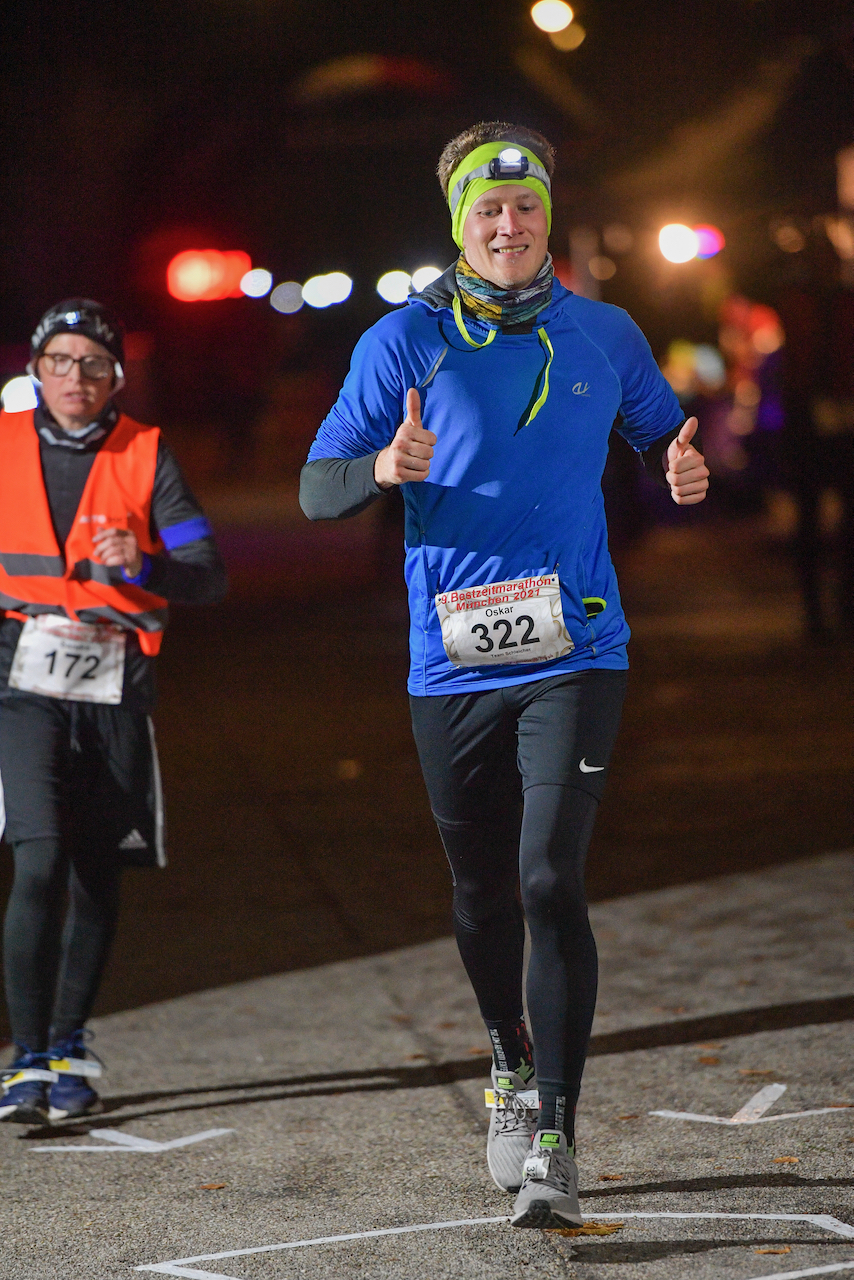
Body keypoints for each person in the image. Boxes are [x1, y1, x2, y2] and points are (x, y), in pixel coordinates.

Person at [300, 122, 708, 1229]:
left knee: (543, 878)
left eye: (524, 205)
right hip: (453, 657)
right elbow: (315, 488)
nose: (508, 223)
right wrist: (384, 464)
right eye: (487, 206)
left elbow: (661, 430)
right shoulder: (402, 343)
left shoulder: (603, 330)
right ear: (458, 221)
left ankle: (555, 1138)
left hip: (575, 645)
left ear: (544, 214)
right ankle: (505, 1057)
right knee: (480, 888)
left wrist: (679, 461)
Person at [0, 299, 227, 1123]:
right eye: (59, 361)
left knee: (97, 871)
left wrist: (152, 562)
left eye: (93, 365)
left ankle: (69, 1044)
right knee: (39, 855)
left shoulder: (147, 454)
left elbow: (208, 574)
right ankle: (24, 1059)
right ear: (35, 370)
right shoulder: (1, 447)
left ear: (116, 380)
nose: (75, 378)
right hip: (21, 683)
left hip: (115, 688)